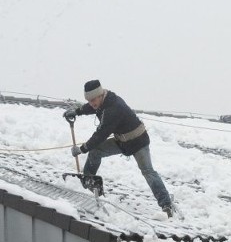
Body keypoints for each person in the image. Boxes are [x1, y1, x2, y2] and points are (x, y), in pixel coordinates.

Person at [63, 80, 175, 218]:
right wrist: (77, 111)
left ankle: (166, 205)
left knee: (148, 171)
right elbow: (92, 108)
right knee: (96, 151)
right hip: (122, 141)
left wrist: (82, 149)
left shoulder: (113, 108)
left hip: (138, 141)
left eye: (93, 99)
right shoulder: (103, 101)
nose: (92, 103)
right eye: (89, 100)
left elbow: (101, 134)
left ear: (100, 95)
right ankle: (88, 182)